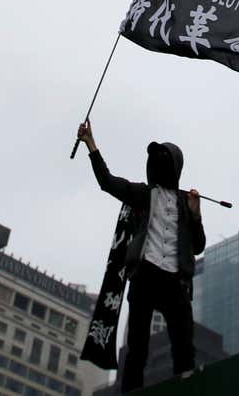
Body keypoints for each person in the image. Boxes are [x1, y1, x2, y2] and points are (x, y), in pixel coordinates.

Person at [77, 119, 205, 393]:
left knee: (184, 346)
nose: (159, 162)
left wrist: (196, 217)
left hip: (176, 281)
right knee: (137, 348)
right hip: (145, 275)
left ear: (175, 166)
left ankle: (187, 386)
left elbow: (197, 246)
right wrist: (91, 145)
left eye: (164, 158)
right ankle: (131, 392)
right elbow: (108, 183)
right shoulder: (143, 194)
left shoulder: (186, 203)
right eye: (156, 159)